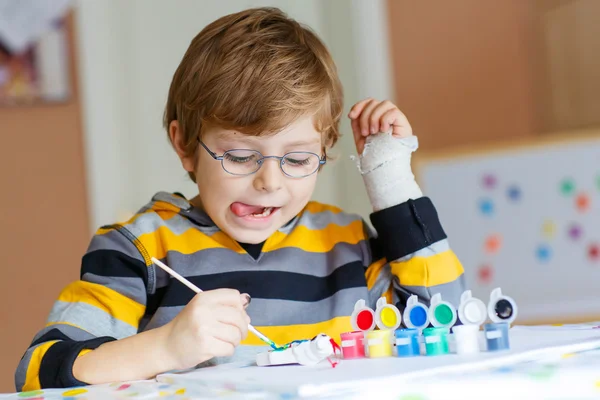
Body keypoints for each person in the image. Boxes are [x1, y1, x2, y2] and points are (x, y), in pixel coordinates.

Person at [15, 6, 465, 391]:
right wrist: (167, 346)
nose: (270, 182)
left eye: (298, 158)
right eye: (241, 155)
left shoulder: (347, 244)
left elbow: (451, 326)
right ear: (186, 146)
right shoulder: (138, 251)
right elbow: (37, 372)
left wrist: (390, 183)